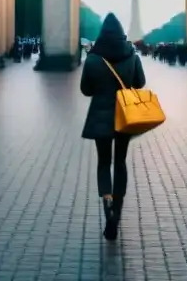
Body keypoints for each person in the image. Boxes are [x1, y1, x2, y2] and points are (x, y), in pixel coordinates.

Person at [80, 12, 146, 241]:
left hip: (100, 117)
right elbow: (140, 83)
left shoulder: (93, 58)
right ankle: (117, 208)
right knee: (120, 162)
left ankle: (106, 198)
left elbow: (86, 90)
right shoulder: (132, 55)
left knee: (103, 162)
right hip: (125, 117)